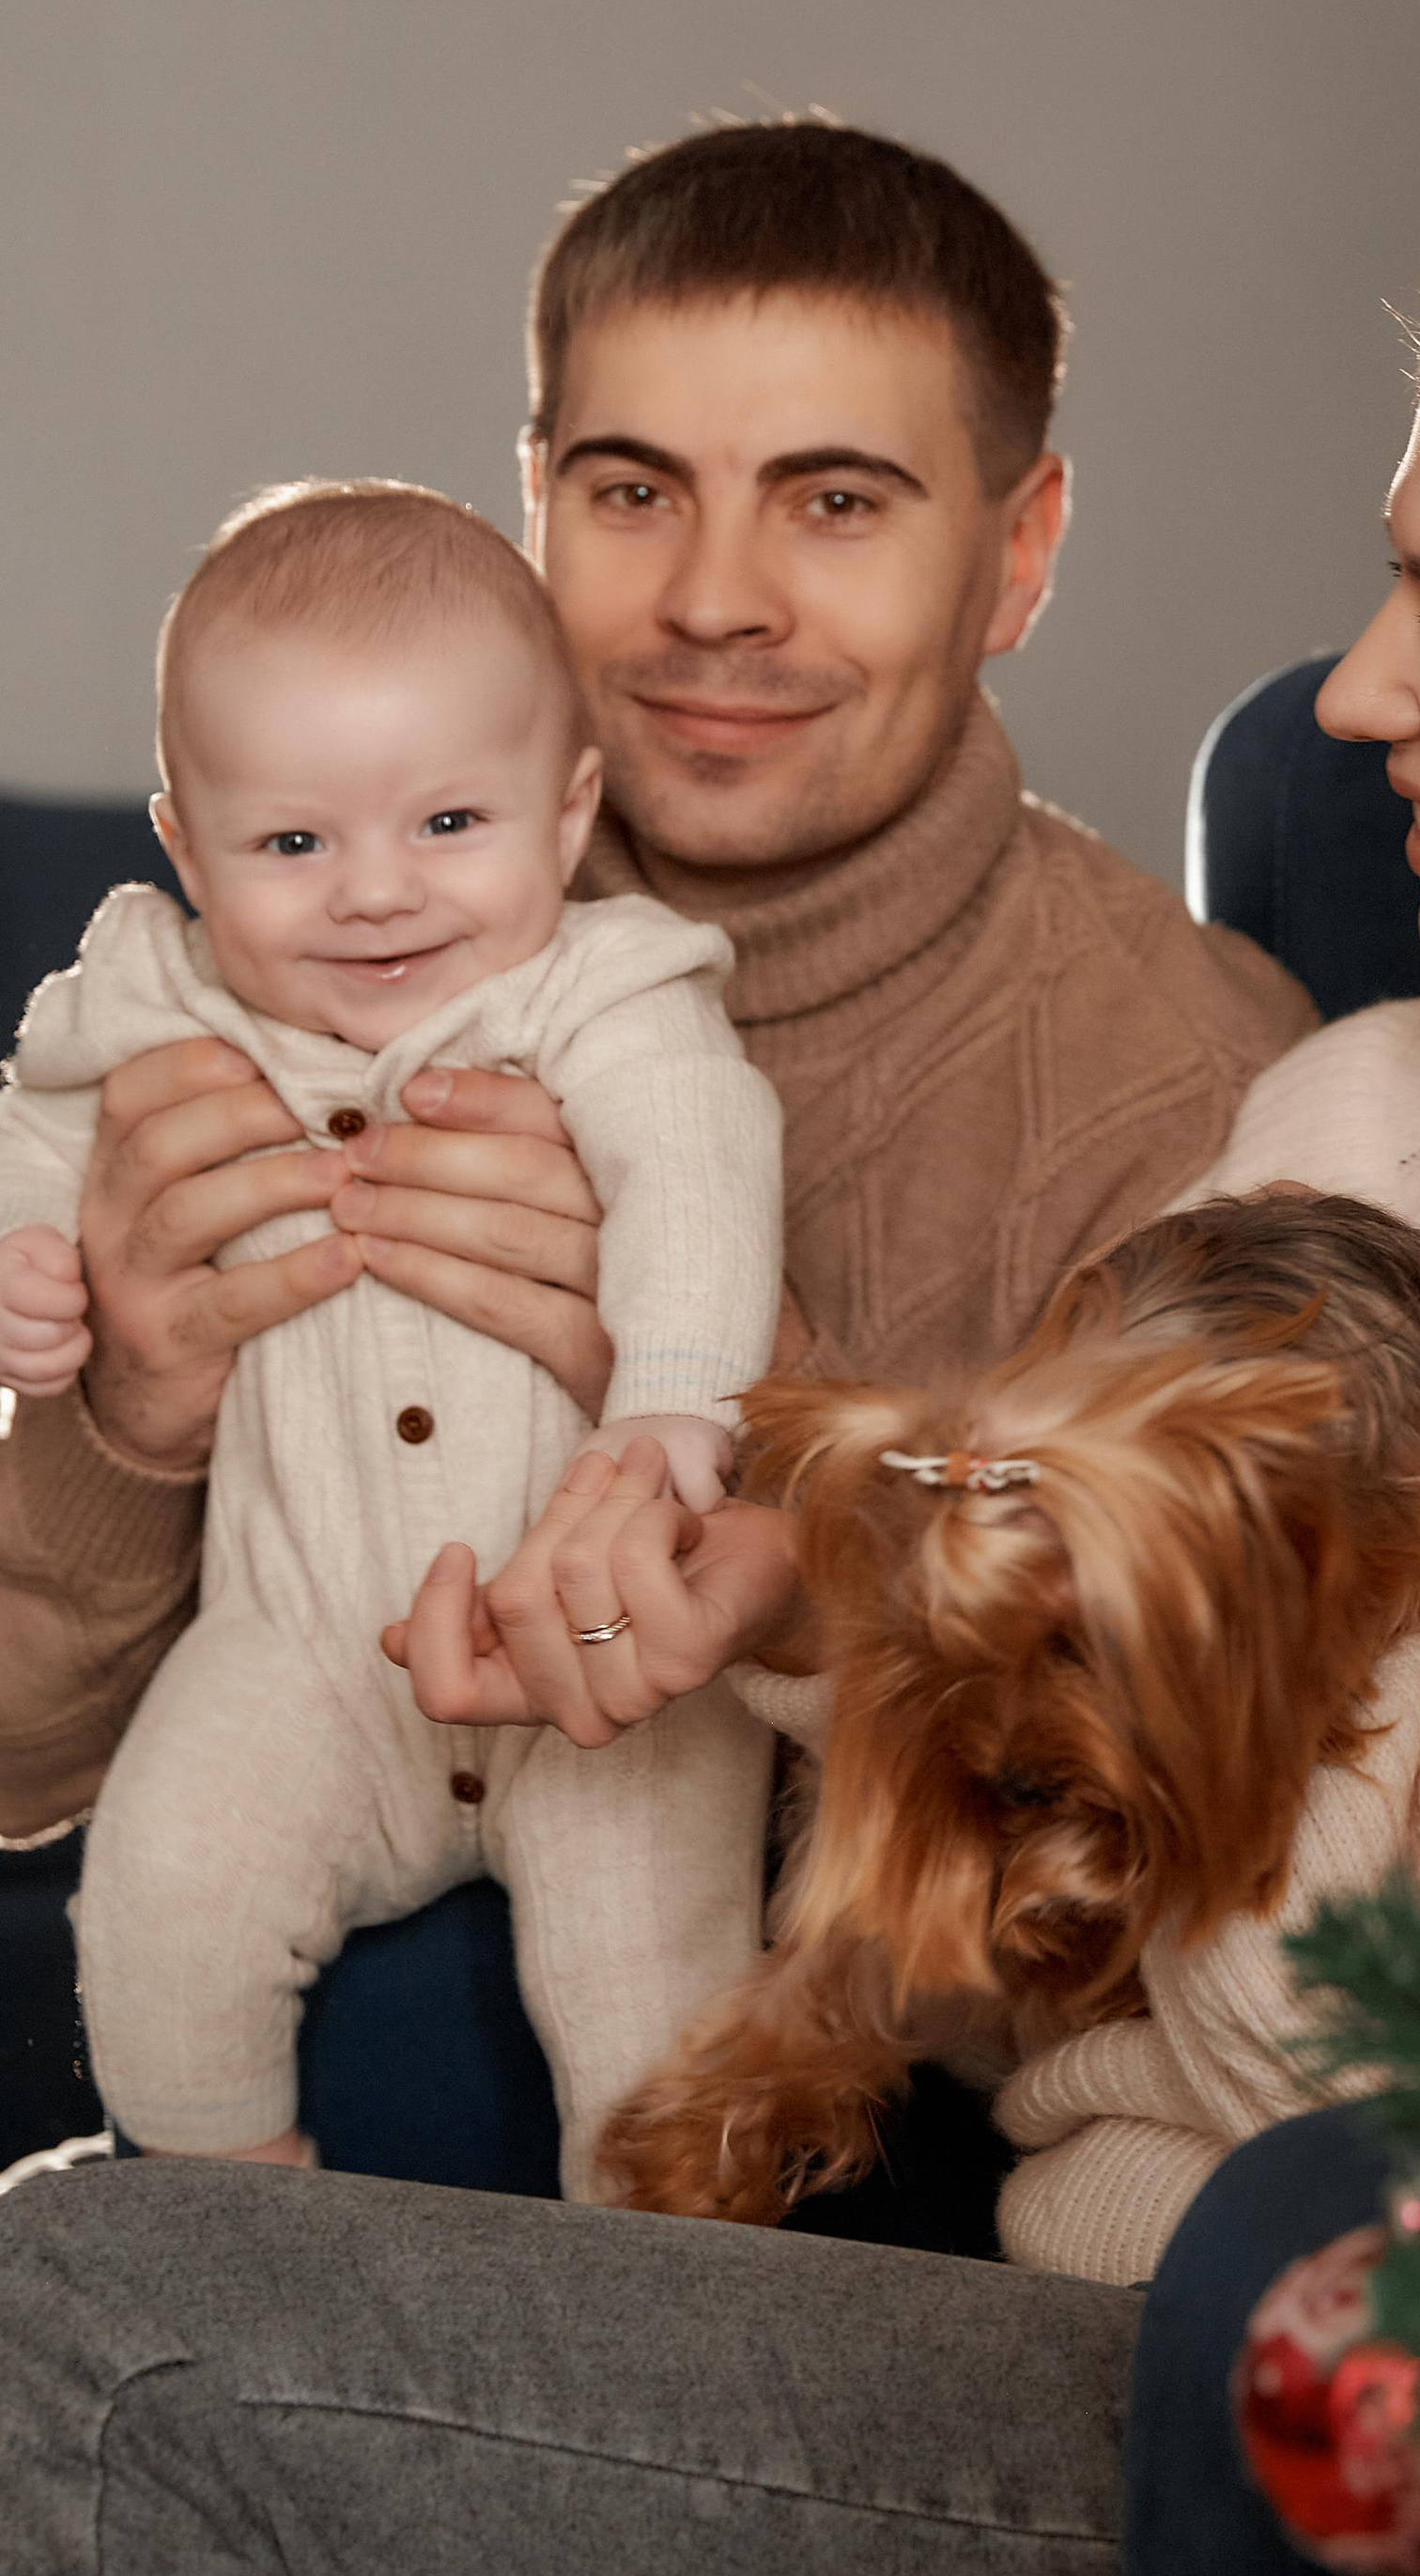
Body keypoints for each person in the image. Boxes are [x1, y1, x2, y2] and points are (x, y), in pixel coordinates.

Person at [0, 163, 1420, 2576]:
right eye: (629, 489)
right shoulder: (1358, 1115)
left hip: (1419, 2427)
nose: (1337, 701)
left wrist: (947, 1586)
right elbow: (1035, 1822)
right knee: (92, 2287)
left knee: (120, 2340)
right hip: (1074, 2308)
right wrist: (813, 1589)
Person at [0, 116, 1315, 1850]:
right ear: (533, 497)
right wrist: (129, 1425)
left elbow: (1176, 1880)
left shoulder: (1194, 1098)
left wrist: (792, 1448)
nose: (714, 603)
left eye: (834, 503)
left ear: (1019, 548)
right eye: (634, 495)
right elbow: (18, 1780)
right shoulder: (269, 960)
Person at [0, 483, 786, 2193]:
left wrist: (670, 1415)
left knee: (657, 2003)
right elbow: (34, 1134)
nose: (373, 895)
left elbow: (705, 1176)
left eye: (447, 824)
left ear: (570, 809)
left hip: (596, 1637)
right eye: (292, 846)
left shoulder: (609, 994)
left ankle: (667, 2341)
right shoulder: (162, 997)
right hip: (308, 1642)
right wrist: (19, 1253)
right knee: (161, 1890)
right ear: (186, 850)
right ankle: (240, 2262)